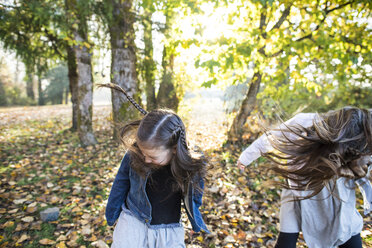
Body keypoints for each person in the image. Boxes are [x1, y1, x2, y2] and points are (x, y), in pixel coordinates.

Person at [237, 106, 372, 248]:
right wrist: (246, 157)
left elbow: (363, 173)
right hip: (300, 188)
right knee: (286, 240)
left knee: (347, 231)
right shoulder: (307, 122)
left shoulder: (362, 137)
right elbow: (273, 136)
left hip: (336, 193)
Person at [102, 84, 209, 248]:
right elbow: (121, 182)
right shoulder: (135, 153)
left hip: (168, 227)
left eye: (151, 156)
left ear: (174, 149)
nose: (145, 159)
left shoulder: (190, 164)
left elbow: (195, 196)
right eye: (143, 152)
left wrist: (195, 220)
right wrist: (112, 214)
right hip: (134, 218)